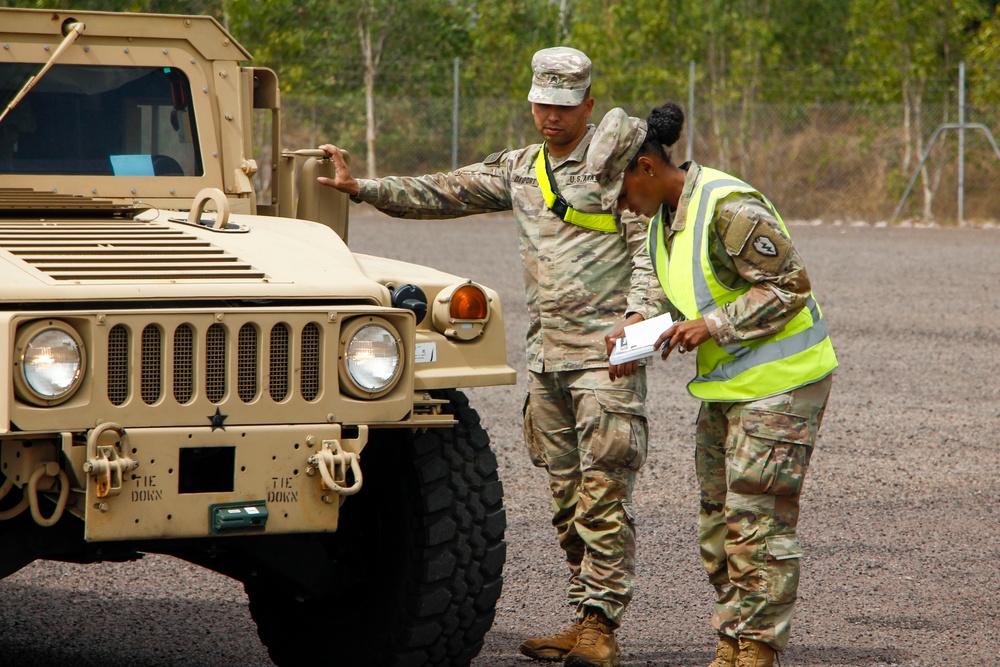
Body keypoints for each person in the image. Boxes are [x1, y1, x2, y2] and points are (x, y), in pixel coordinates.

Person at [316, 48, 666, 667]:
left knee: (603, 495)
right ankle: (585, 617)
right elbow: (443, 191)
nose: (550, 116)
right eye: (541, 104)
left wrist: (637, 319)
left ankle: (603, 629)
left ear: (587, 105)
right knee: (566, 500)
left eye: (563, 106)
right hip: (548, 358)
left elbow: (651, 252)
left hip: (607, 360)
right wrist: (363, 187)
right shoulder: (523, 169)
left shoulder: (617, 168)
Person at [588, 104, 838, 667]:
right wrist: (634, 327)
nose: (621, 207)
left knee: (757, 520)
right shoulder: (662, 219)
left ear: (647, 168)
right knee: (718, 520)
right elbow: (657, 287)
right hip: (729, 388)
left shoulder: (730, 208)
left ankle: (758, 647)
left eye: (622, 191)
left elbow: (790, 286)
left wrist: (714, 326)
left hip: (783, 383)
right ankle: (734, 637)